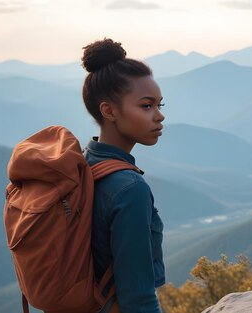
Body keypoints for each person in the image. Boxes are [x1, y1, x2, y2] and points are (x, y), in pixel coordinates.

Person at [80, 38, 166, 313]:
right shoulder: (130, 189)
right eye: (146, 106)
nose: (159, 116)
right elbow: (138, 298)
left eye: (159, 105)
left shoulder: (83, 163)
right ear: (109, 111)